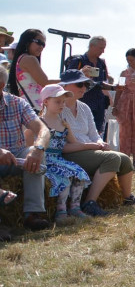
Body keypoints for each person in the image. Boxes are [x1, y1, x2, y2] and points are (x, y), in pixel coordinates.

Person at [59, 70, 135, 210]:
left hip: (88, 149)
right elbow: (62, 143)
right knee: (112, 158)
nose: (84, 88)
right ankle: (90, 202)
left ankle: (127, 198)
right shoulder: (57, 108)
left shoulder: (84, 107)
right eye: (80, 84)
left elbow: (94, 134)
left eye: (86, 84)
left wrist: (100, 143)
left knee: (125, 159)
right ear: (65, 86)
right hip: (71, 152)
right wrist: (91, 145)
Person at [0, 64, 51, 237]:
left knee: (36, 156)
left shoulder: (17, 103)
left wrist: (37, 149)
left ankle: (32, 214)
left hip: (16, 156)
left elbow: (43, 130)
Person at [38, 84, 93, 225]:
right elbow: (30, 142)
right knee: (65, 177)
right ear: (45, 102)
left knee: (79, 172)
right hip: (46, 160)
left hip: (58, 158)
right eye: (57, 101)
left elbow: (73, 143)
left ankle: (75, 207)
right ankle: (60, 211)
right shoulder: (39, 122)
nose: (61, 105)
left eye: (63, 102)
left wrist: (68, 129)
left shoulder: (62, 122)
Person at [64, 36, 113, 136]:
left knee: (98, 132)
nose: (103, 51)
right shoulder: (78, 61)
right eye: (100, 48)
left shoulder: (101, 63)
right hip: (83, 100)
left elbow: (102, 82)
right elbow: (68, 79)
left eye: (104, 48)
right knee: (81, 131)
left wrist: (114, 87)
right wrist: (82, 74)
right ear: (91, 46)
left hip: (99, 103)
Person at [7, 29, 60, 112]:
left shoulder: (21, 58)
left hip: (25, 107)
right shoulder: (29, 59)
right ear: (27, 41)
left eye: (43, 44)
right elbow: (45, 82)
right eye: (39, 42)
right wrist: (68, 79)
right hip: (32, 108)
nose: (41, 47)